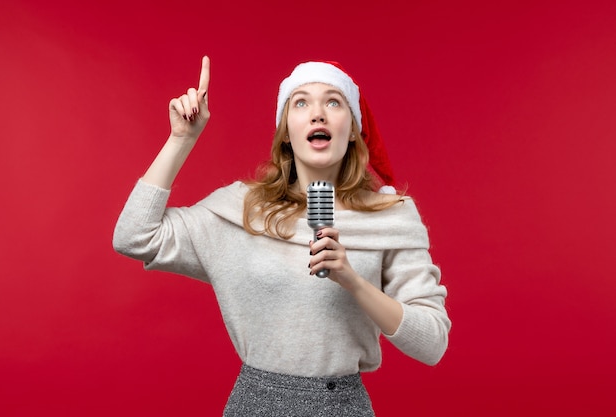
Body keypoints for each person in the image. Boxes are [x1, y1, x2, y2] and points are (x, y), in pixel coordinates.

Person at [113, 56, 450, 416]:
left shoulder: (390, 217)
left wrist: (353, 282)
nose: (317, 114)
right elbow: (134, 236)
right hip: (254, 405)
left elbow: (431, 342)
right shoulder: (244, 210)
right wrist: (181, 140)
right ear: (286, 130)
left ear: (353, 128)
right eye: (301, 102)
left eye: (333, 102)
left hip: (342, 406)